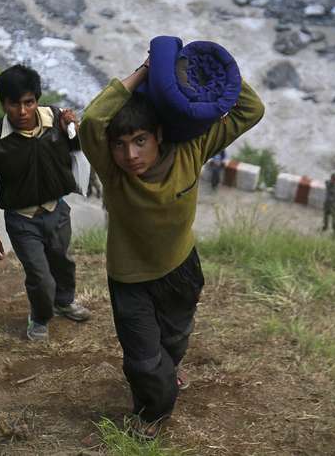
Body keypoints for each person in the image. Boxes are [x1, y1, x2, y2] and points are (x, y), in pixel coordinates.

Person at [79, 56, 264, 439]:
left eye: (140, 141)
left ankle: (165, 378)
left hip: (180, 268)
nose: (130, 156)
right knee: (143, 362)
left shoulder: (190, 150)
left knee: (174, 343)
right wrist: (146, 71)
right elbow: (92, 121)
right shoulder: (113, 173)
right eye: (121, 145)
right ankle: (151, 415)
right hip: (130, 281)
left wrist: (202, 63)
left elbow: (251, 108)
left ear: (159, 135)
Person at [0, 64, 91, 342]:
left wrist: (74, 130)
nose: (23, 111)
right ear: (3, 104)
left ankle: (64, 301)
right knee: (39, 276)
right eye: (14, 104)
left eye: (29, 102)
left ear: (37, 100)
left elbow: (76, 154)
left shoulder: (57, 120)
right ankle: (40, 317)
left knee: (63, 262)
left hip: (57, 210)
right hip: (21, 219)